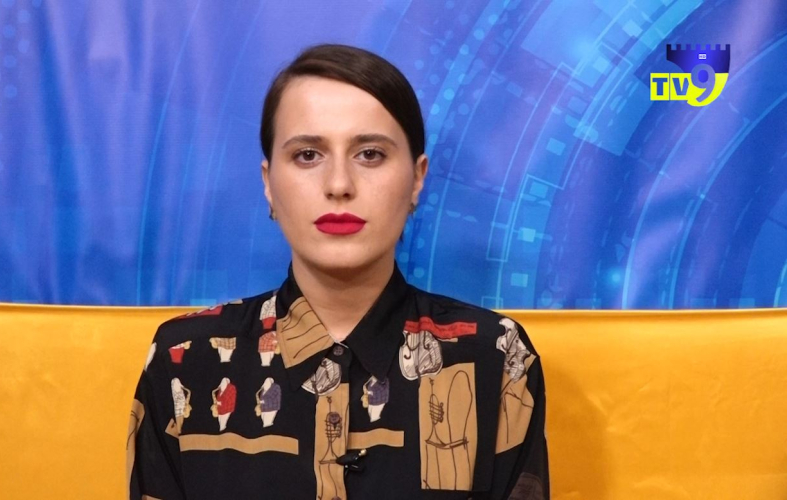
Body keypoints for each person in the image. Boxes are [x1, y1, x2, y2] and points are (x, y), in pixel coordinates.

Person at [127, 43, 549, 500]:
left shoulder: (495, 357)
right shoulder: (187, 359)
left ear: (417, 178)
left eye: (370, 154)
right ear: (268, 183)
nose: (339, 185)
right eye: (308, 155)